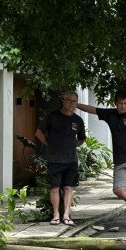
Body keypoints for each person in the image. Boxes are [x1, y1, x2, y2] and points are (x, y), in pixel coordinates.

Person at [77, 92, 126, 230]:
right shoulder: (110, 114)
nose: (123, 106)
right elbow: (92, 109)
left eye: (125, 103)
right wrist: (75, 105)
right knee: (118, 190)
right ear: (115, 103)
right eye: (120, 103)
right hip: (120, 160)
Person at [35, 91, 86, 226]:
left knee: (69, 188)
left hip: (71, 160)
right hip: (54, 159)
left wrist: (72, 145)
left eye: (74, 101)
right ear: (63, 101)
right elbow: (38, 132)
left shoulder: (78, 120)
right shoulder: (52, 116)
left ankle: (66, 215)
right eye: (68, 100)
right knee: (54, 188)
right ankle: (56, 215)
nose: (71, 103)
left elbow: (81, 139)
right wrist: (49, 144)